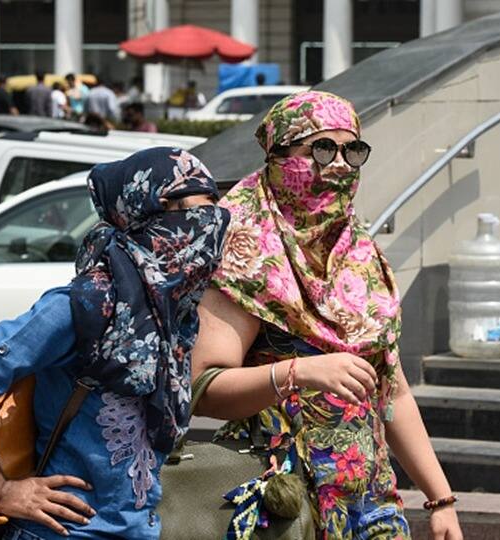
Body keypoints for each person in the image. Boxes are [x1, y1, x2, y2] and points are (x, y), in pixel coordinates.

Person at [192, 91, 464, 540]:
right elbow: (204, 388)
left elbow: (390, 392)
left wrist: (440, 500)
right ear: (279, 156)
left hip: (368, 503)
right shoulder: (246, 250)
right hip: (281, 507)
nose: (339, 164)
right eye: (321, 148)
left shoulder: (358, 254)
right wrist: (301, 371)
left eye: (351, 150)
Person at [0, 146, 231, 539]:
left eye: (215, 202)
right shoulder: (85, 304)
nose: (213, 220)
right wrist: (0, 491)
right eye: (196, 204)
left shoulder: (174, 314)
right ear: (145, 211)